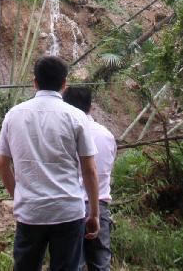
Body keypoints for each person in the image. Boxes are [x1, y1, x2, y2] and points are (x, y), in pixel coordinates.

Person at [0, 56, 101, 271]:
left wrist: (19, 195)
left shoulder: (13, 115)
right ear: (64, 85)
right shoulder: (77, 116)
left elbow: (1, 164)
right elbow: (89, 170)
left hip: (30, 212)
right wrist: (95, 214)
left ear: (34, 82)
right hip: (68, 211)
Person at [63, 86, 117, 271]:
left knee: (72, 263)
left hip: (70, 205)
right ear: (90, 106)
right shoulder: (106, 135)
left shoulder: (63, 134)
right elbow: (107, 168)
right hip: (99, 206)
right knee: (101, 263)